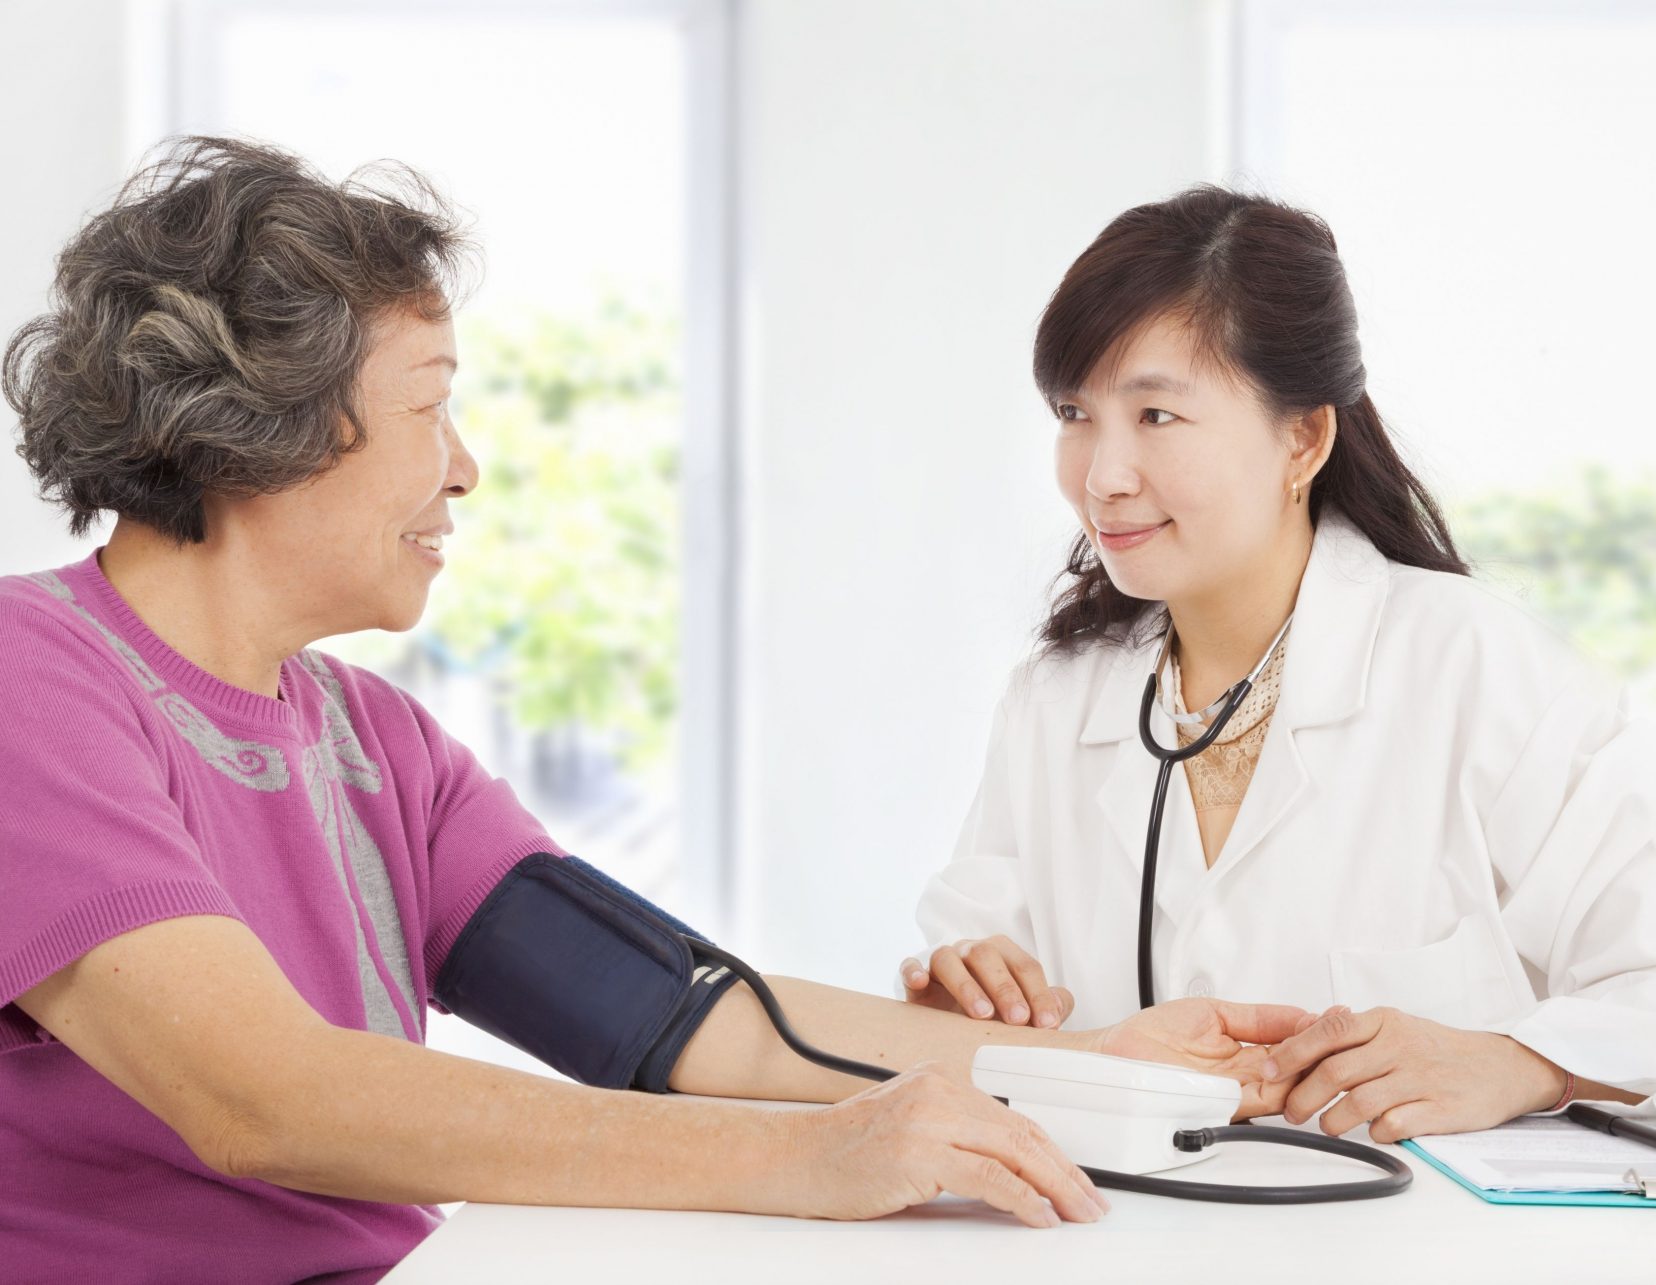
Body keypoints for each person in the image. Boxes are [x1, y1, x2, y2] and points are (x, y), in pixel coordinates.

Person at [0, 140, 1306, 1282]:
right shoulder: (30, 678)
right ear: (255, 431)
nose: (465, 466)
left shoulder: (373, 745)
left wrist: (1091, 1065)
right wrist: (807, 1159)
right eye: (428, 404)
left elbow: (685, 1018)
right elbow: (260, 1096)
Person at [901, 186, 1656, 1142]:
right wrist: (968, 991)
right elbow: (981, 993)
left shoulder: (1477, 669)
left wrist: (1520, 1061)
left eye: (1157, 415)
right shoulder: (1053, 702)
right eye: (1075, 412)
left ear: (1304, 436)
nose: (1101, 474)